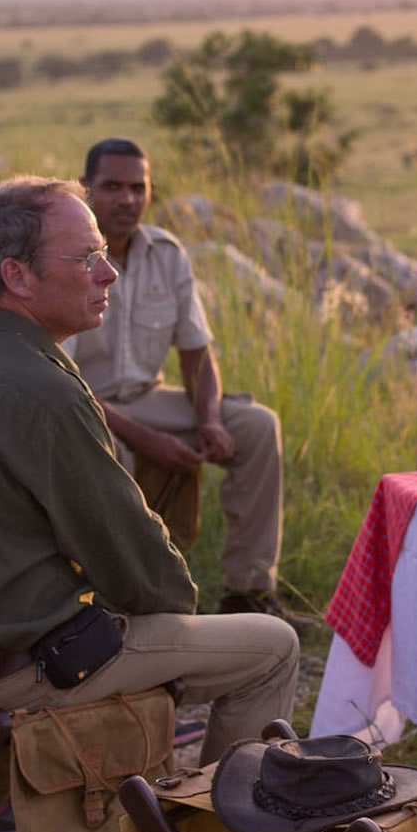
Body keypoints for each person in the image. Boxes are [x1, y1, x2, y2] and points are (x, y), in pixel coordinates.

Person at [0, 174, 299, 759]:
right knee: (273, 646)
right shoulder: (44, 389)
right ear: (16, 276)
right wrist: (181, 617)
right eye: (87, 259)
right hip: (14, 676)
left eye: (104, 254)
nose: (109, 273)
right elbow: (139, 568)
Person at [65, 137, 290, 618]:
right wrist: (148, 439)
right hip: (84, 407)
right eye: (111, 187)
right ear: (85, 190)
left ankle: (247, 593)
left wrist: (209, 418)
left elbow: (197, 352)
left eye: (137, 187)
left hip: (148, 399)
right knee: (115, 453)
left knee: (255, 426)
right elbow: (62, 378)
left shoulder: (167, 254)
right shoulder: (68, 259)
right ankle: (125, 608)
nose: (126, 199)